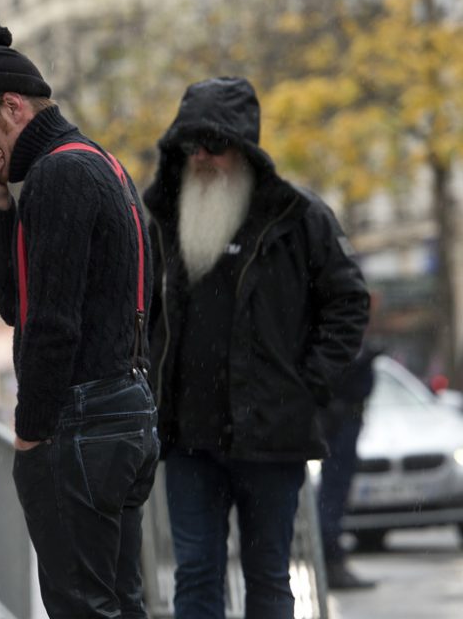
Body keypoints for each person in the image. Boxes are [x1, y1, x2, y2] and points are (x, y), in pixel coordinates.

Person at [0, 20, 158, 617]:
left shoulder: (58, 175)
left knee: (80, 606)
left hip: (83, 416)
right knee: (118, 600)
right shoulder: (97, 162)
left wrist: (31, 430)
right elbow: (24, 302)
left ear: (12, 108)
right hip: (126, 407)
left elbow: (45, 319)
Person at [143, 76, 370, 618]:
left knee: (269, 576)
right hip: (188, 438)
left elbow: (348, 303)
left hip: (271, 436)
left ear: (244, 148)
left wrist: (307, 384)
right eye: (191, 145)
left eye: (215, 144)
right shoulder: (162, 221)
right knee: (196, 573)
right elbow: (139, 313)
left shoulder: (299, 217)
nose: (202, 157)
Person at [317, 339, 382, 589]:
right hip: (340, 419)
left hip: (342, 417)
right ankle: (332, 561)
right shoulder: (338, 332)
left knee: (334, 495)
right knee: (332, 495)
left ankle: (332, 561)